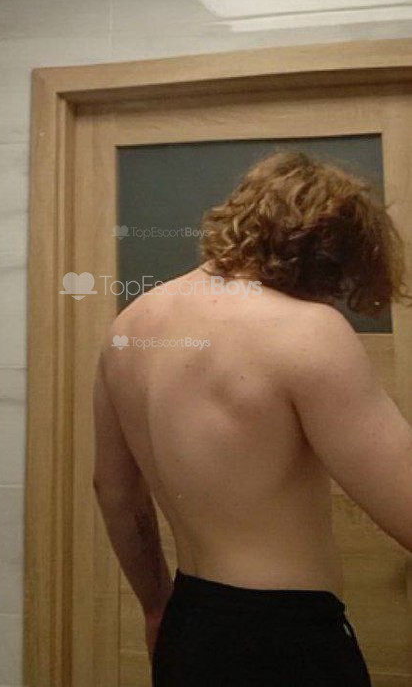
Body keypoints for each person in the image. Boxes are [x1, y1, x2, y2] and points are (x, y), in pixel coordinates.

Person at [92, 149, 412, 686]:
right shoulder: (305, 330)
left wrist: (155, 608)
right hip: (284, 643)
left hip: (187, 627)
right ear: (323, 250)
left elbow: (115, 492)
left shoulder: (129, 327)